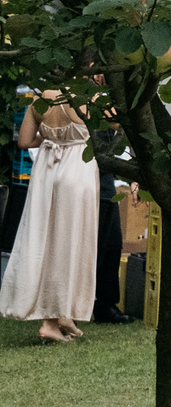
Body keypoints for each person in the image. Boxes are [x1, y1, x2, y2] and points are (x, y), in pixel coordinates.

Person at [2, 93, 97, 343]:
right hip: (77, 169)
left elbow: (23, 141)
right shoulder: (87, 97)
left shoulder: (39, 101)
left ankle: (62, 315)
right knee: (70, 244)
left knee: (44, 241)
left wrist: (50, 139)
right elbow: (117, 122)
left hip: (46, 171)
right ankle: (51, 321)